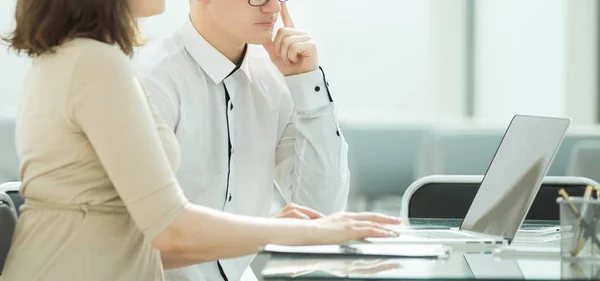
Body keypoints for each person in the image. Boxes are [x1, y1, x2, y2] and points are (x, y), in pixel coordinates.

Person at [0, 0, 400, 280]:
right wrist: (293, 231)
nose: (275, 8)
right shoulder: (114, 67)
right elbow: (165, 231)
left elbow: (320, 207)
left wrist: (307, 86)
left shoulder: (82, 58)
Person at [135, 0, 349, 279]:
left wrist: (308, 85)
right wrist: (261, 233)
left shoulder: (277, 77)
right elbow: (138, 242)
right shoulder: (151, 81)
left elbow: (321, 215)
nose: (273, 8)